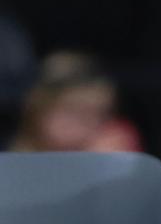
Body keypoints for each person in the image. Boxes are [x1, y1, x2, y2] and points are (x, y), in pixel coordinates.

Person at [9, 51, 141, 152]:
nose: (89, 123)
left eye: (102, 114)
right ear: (39, 108)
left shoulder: (112, 149)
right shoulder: (12, 161)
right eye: (74, 111)